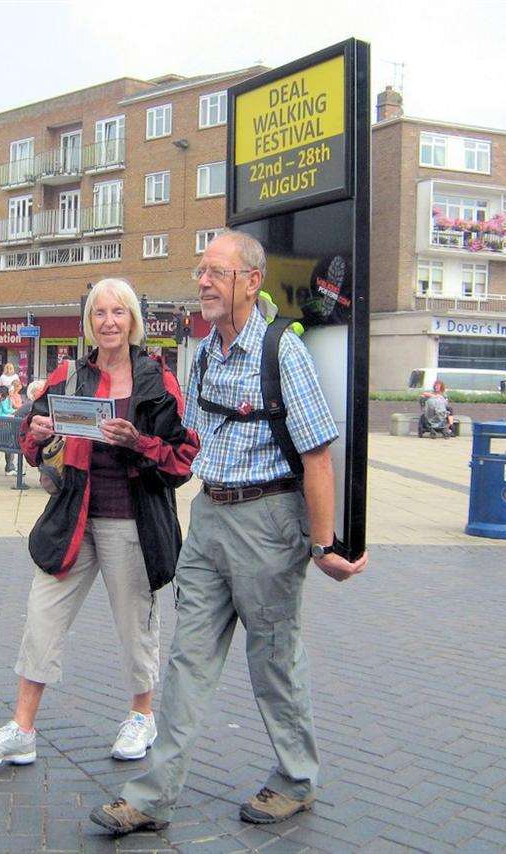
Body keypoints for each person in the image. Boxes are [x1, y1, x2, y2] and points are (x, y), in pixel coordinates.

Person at [91, 231, 368, 835]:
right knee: (188, 659)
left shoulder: (281, 353)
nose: (203, 281)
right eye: (201, 271)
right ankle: (152, 796)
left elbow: (319, 453)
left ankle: (296, 779)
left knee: (272, 659)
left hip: (268, 524)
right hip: (210, 517)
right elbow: (195, 437)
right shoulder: (207, 350)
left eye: (216, 271)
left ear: (251, 281)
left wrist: (322, 545)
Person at [0, 278, 198, 769]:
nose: (109, 322)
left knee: (136, 625)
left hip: (131, 520)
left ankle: (141, 715)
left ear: (132, 320)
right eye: (100, 313)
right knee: (42, 616)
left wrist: (138, 442)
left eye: (118, 312)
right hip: (73, 516)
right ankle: (23, 728)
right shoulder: (70, 377)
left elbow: (182, 460)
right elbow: (29, 440)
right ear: (89, 322)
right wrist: (37, 429)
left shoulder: (157, 382)